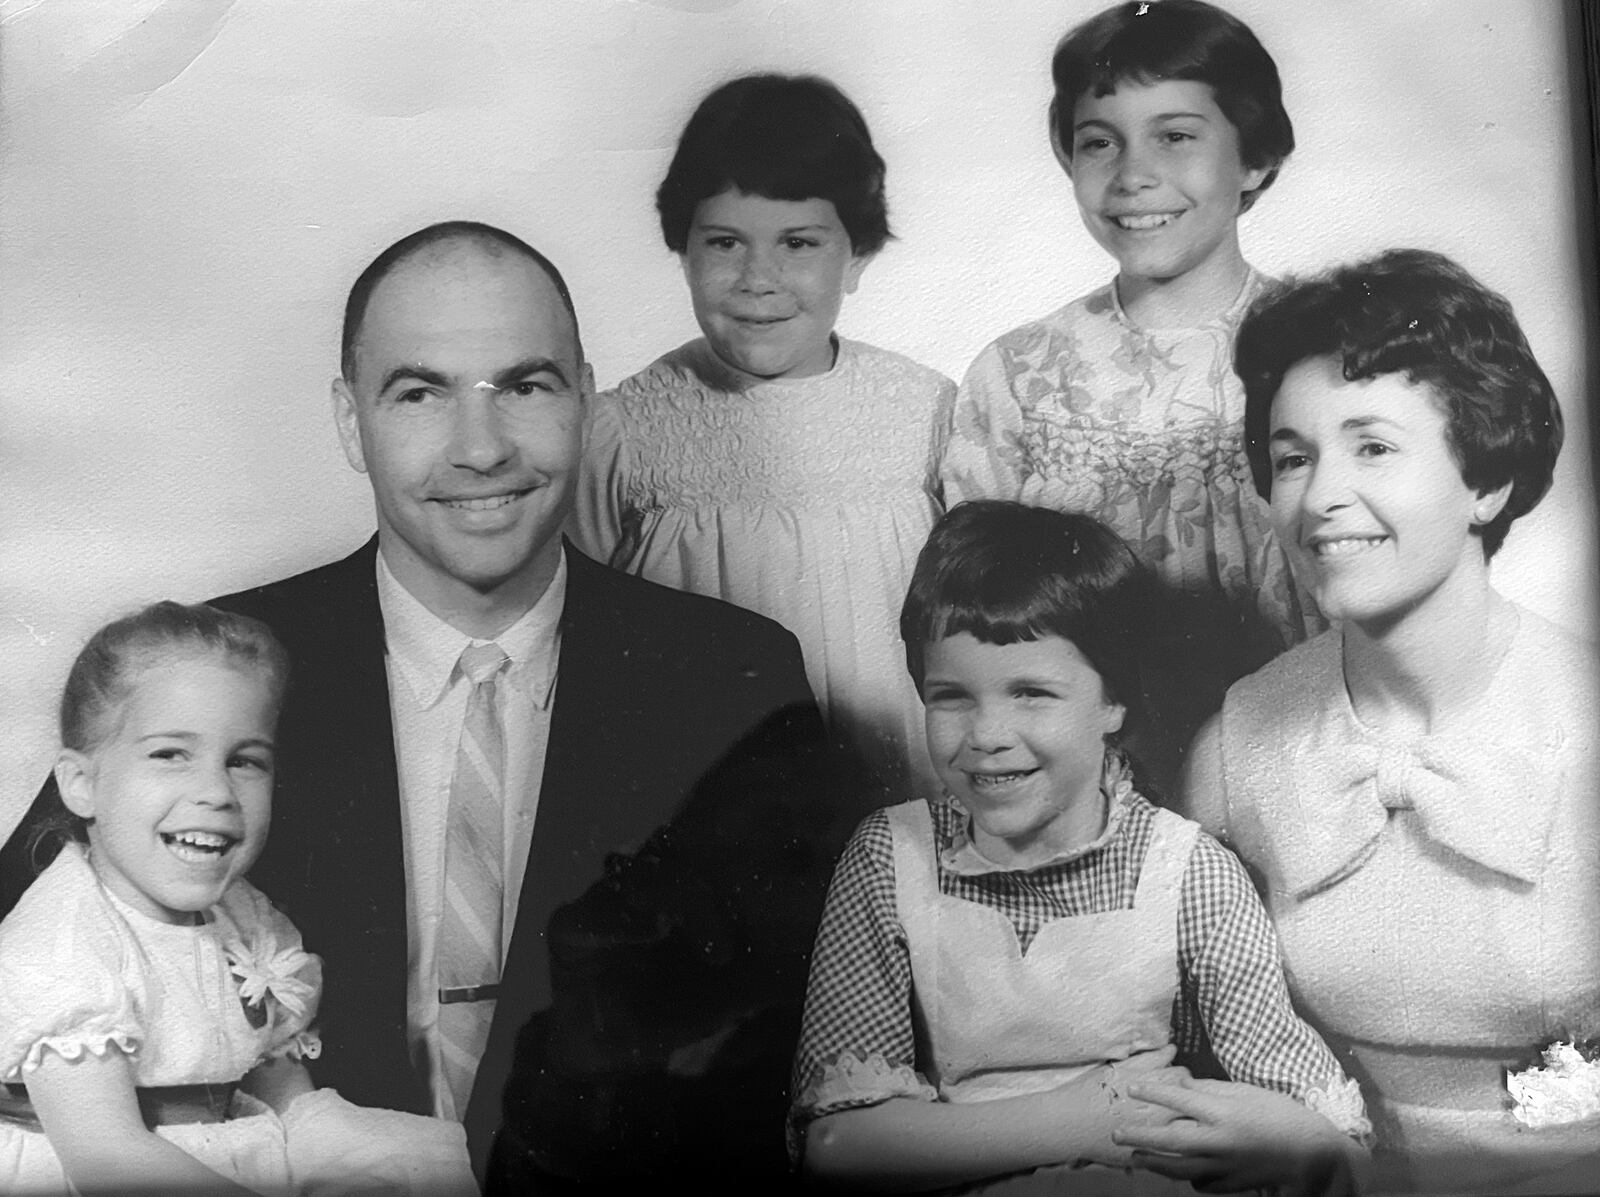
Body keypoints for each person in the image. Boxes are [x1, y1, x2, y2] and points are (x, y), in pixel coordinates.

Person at [0, 221, 849, 1187]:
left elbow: (786, 1063)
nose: (481, 448)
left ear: (587, 400)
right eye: (420, 392)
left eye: (525, 385)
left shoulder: (729, 675)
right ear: (347, 418)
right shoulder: (210, 671)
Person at [1130, 250, 1600, 1192]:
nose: (1319, 495)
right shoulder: (1237, 741)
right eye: (1293, 456)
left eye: (1373, 446)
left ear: (1487, 482)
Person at [790, 501, 1370, 1194]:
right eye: (951, 696)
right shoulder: (888, 857)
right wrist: (1089, 1116)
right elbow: (837, 1142)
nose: (987, 733)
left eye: (1031, 692)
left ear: (1113, 702)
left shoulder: (1187, 871)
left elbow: (1316, 1121)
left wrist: (1292, 1136)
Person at [939, 0, 1320, 793]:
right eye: (1098, 142)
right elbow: (975, 619)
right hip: (1089, 785)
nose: (1132, 174)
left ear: (1253, 158)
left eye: (1176, 136)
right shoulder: (1019, 375)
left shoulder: (1322, 349)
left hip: (1298, 754)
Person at [0, 601, 474, 1196]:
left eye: (245, 760)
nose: (216, 792)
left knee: (417, 1164)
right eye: (170, 754)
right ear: (82, 784)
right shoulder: (63, 943)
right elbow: (107, 1157)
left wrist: (340, 1150)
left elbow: (277, 1084)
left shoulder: (242, 915)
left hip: (234, 1154)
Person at [573, 72, 955, 801]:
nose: (758, 278)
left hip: (898, 788)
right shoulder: (624, 429)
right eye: (724, 243)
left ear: (860, 255)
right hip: (695, 804)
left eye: (798, 243)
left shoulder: (925, 412)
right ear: (681, 250)